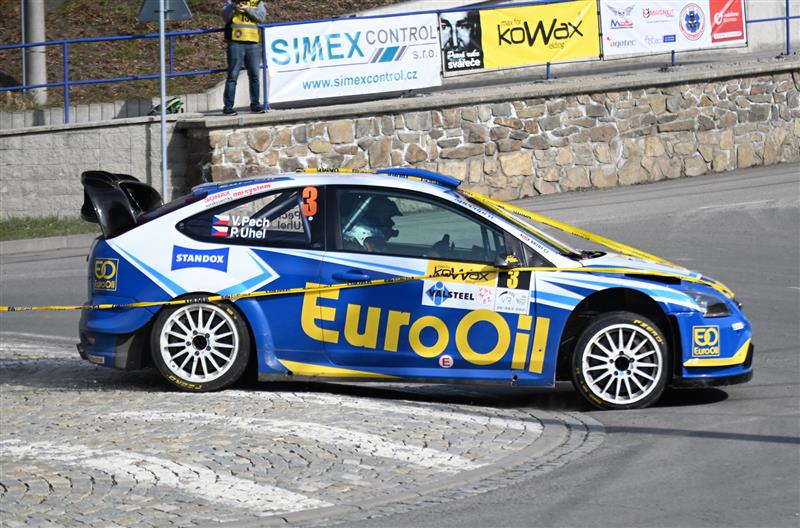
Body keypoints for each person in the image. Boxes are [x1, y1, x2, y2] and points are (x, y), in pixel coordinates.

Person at [221, 0, 267, 115]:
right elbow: (225, 17)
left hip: (253, 43)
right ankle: (228, 107)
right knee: (232, 76)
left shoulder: (257, 2)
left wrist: (247, 8)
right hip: (235, 43)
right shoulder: (232, 1)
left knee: (254, 76)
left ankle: (256, 105)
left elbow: (261, 17)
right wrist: (233, 7)